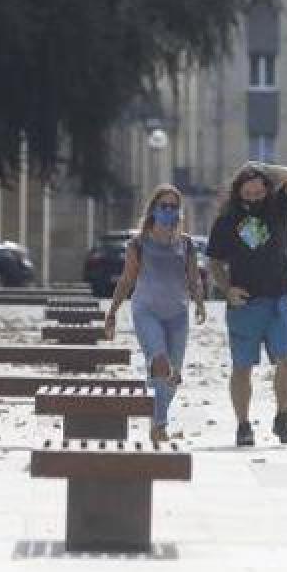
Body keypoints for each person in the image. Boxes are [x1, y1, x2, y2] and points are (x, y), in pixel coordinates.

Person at [207, 161, 287, 446]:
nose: (252, 199)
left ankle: (283, 418)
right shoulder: (226, 219)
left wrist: (263, 167)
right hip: (244, 304)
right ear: (237, 193)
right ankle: (243, 425)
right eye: (246, 194)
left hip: (279, 297)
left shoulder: (277, 207)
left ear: (267, 190)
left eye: (257, 193)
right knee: (242, 367)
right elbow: (214, 262)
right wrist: (227, 289)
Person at [103, 184, 207, 443]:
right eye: (164, 206)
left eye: (174, 207)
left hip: (178, 315)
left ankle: (157, 404)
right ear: (153, 210)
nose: (169, 211)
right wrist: (113, 312)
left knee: (172, 376)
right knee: (161, 364)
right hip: (146, 311)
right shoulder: (138, 244)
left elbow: (194, 279)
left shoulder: (187, 244)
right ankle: (159, 426)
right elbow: (127, 280)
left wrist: (200, 303)